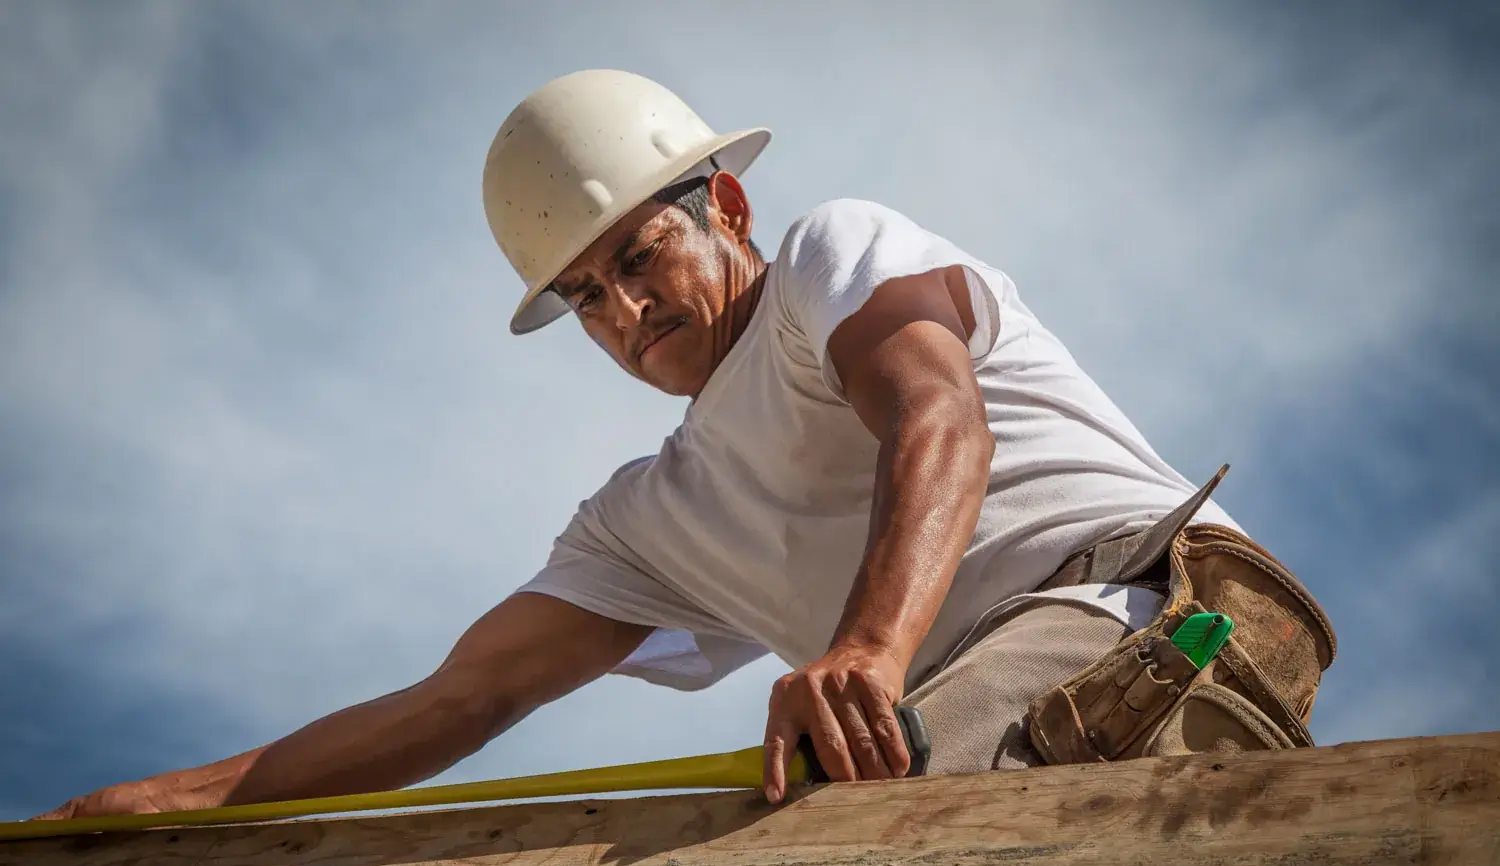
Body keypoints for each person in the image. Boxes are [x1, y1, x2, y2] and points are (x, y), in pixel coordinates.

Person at [36, 70, 1337, 822]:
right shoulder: (648, 519)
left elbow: (939, 418)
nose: (626, 310)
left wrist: (869, 654)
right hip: (993, 696)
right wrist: (184, 801)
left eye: (639, 257)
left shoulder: (834, 255)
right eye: (586, 296)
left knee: (857, 834)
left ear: (725, 205)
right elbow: (461, 699)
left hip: (1165, 612)